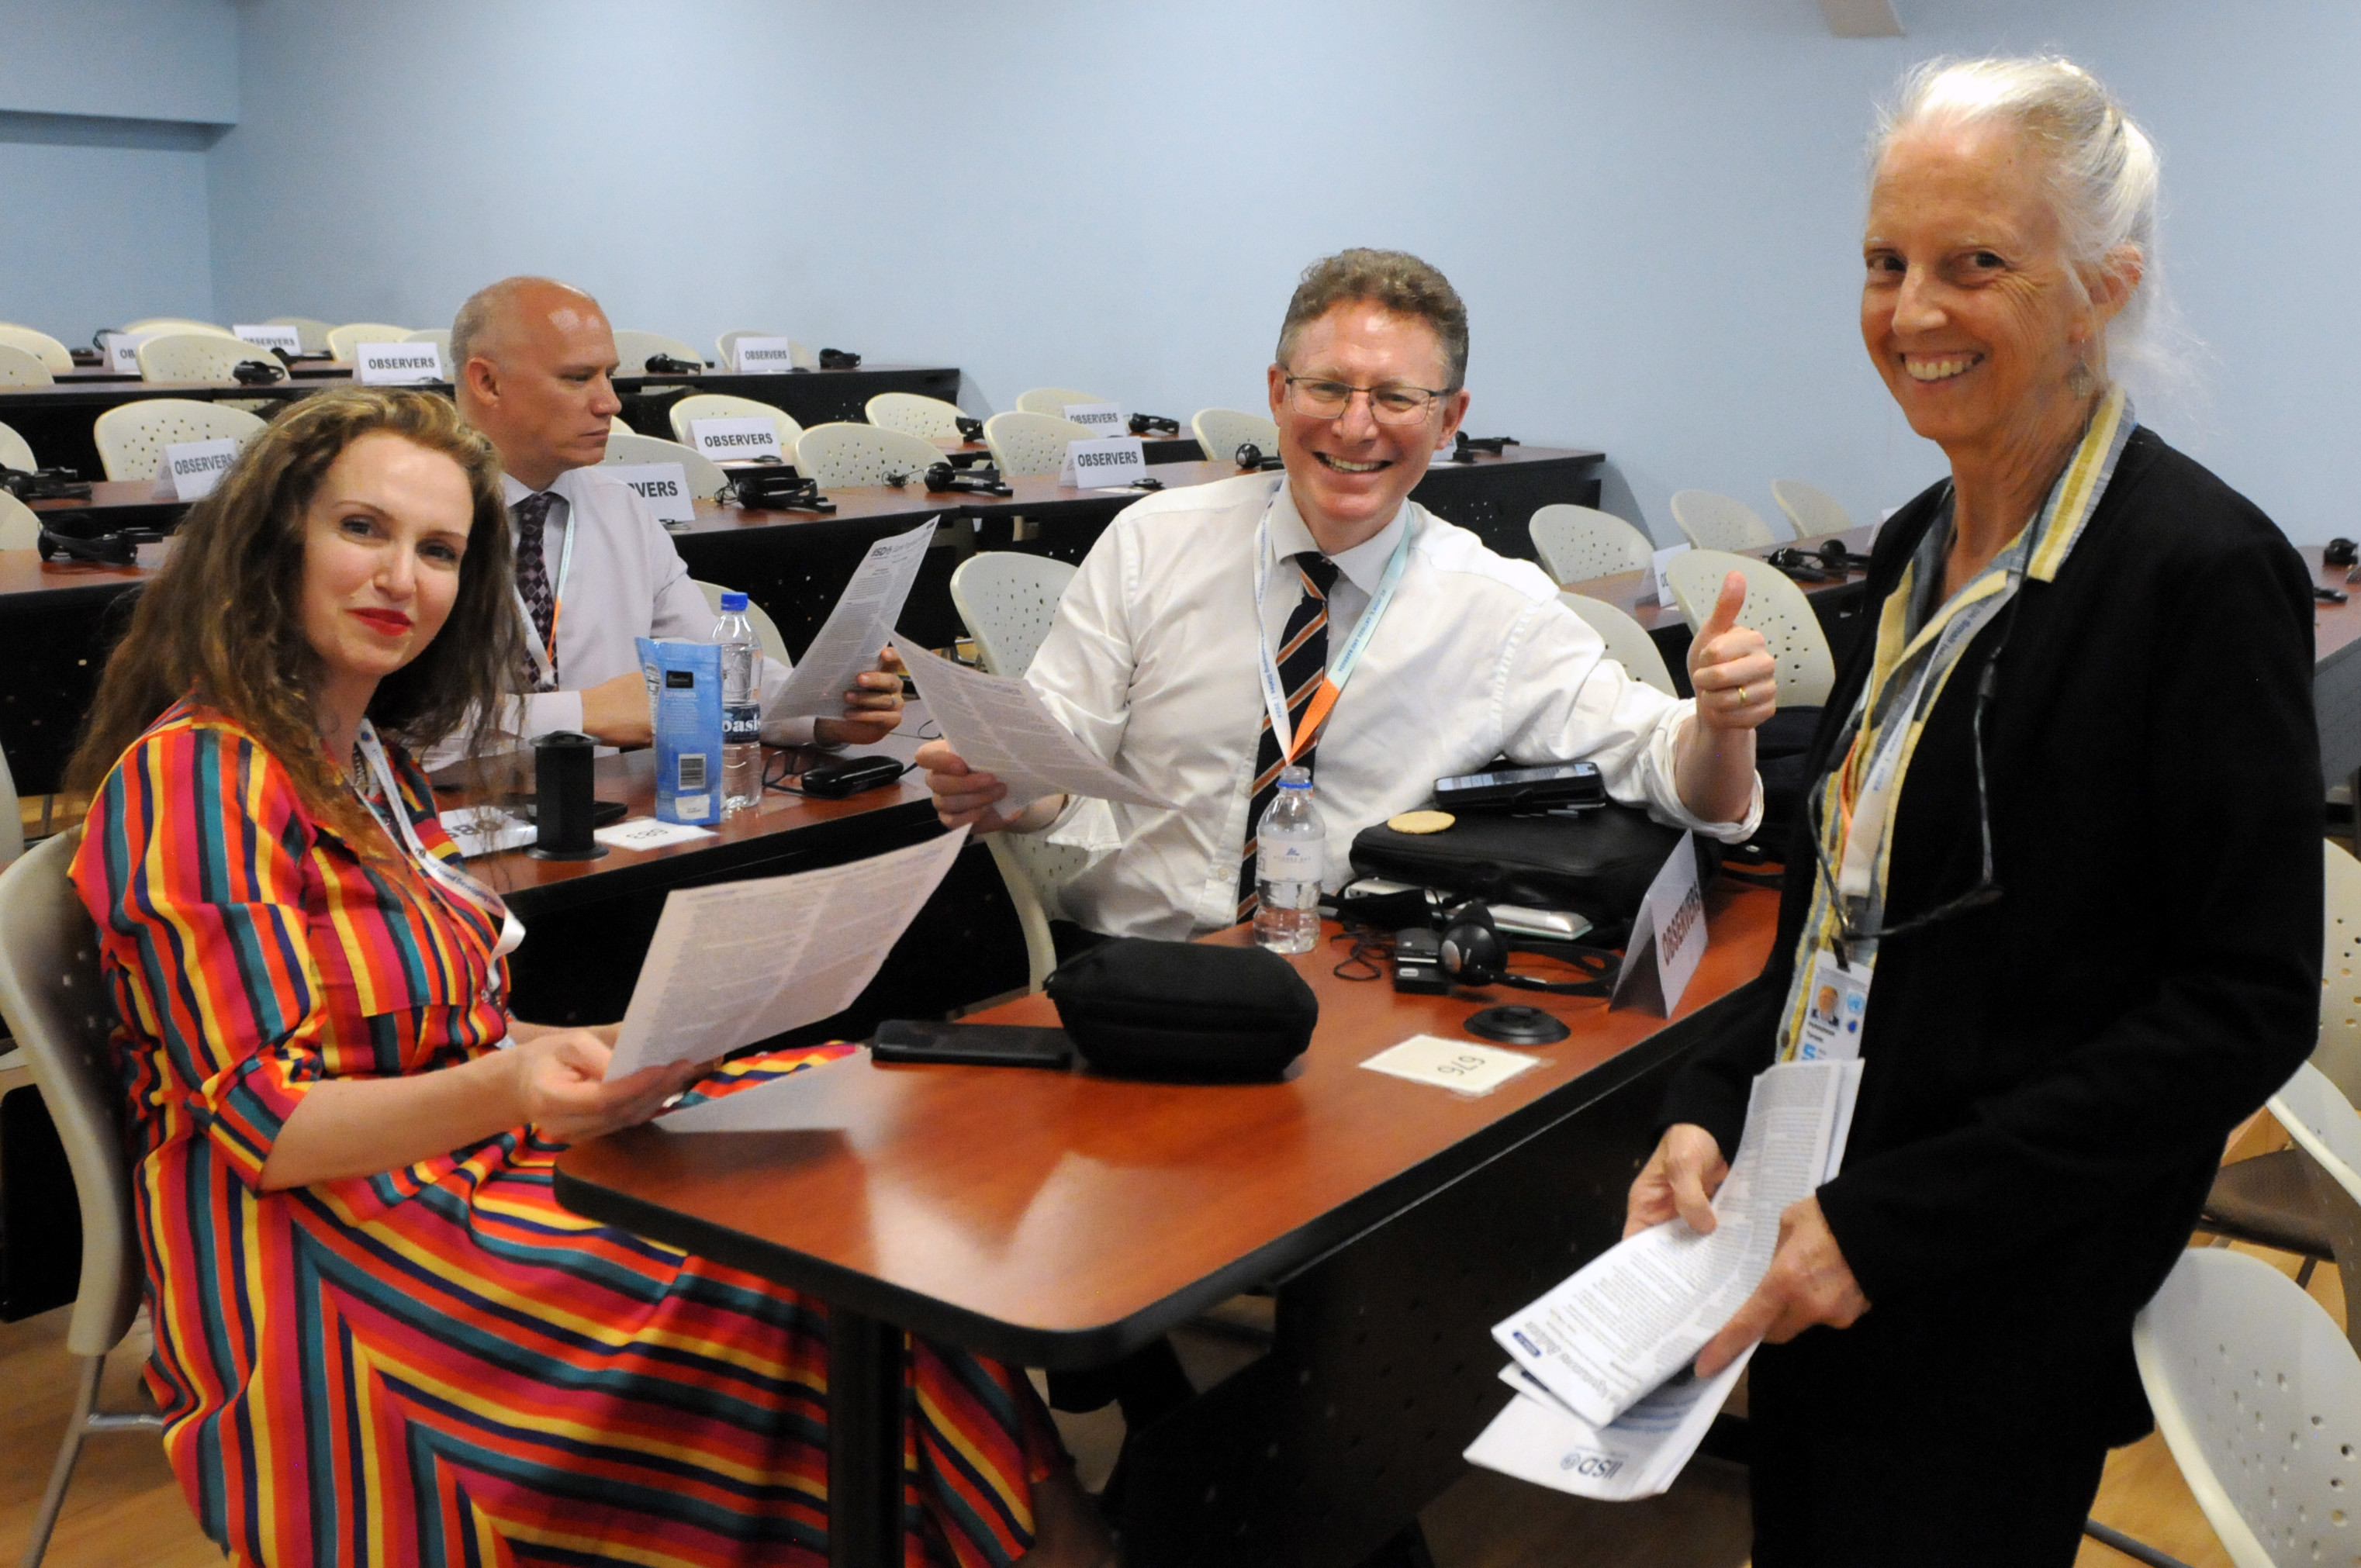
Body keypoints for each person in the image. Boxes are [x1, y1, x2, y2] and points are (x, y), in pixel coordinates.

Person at [65, 388, 1109, 1567]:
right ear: (275, 541)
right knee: (825, 1262)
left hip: (456, 1165)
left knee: (841, 1119)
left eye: (440, 550)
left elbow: (447, 1027)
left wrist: (633, 1041)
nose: (400, 577)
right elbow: (271, 1126)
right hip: (333, 1254)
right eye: (363, 529)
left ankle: (996, 1527)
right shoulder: (199, 778)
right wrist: (521, 1086)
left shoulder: (361, 757)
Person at [1626, 58, 2320, 1565]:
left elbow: (2239, 1006)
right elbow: (1839, 916)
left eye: (1973, 265)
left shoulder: (2197, 576)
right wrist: (1703, 1110)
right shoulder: (1910, 546)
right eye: (1884, 263)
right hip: (1810, 1229)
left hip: (1994, 1279)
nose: (1911, 311)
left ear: (2100, 290)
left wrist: (1894, 1226)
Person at [918, 248, 1775, 940]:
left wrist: (1721, 726)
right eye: (1326, 387)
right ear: (1276, 393)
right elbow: (1057, 766)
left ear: (1447, 420)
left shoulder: (1495, 605)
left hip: (1354, 987)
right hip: (1136, 967)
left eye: (1397, 397)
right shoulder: (1151, 545)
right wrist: (1004, 789)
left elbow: (1686, 783)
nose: (1355, 425)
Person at [446, 275, 902, 755]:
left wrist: (830, 712)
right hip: (439, 811)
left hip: (604, 803)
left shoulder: (620, 509)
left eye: (609, 375)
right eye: (577, 378)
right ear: (488, 383)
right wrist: (579, 713)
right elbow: (393, 724)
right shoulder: (411, 520)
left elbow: (709, 667)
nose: (610, 402)